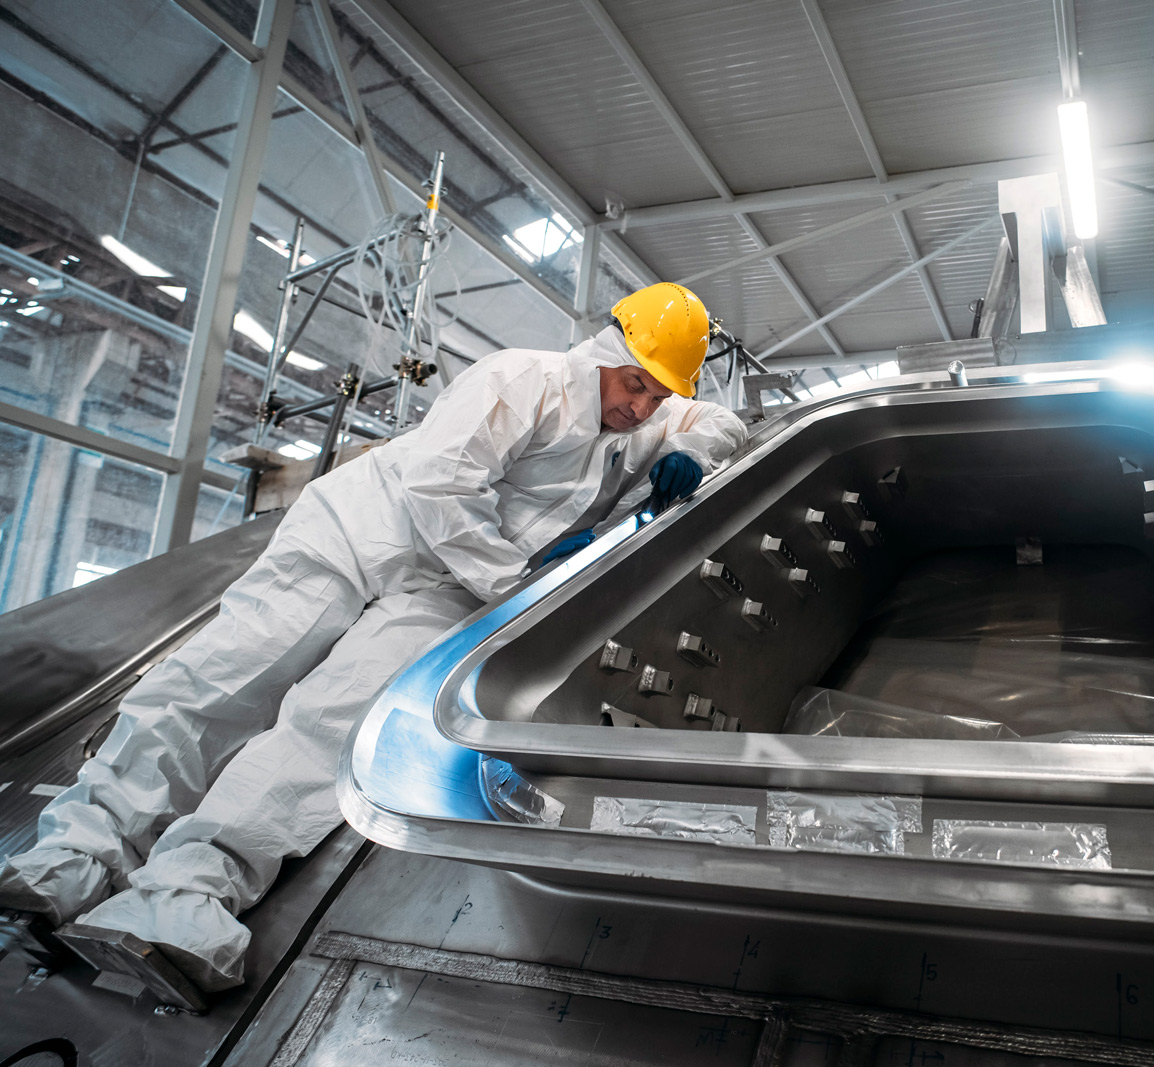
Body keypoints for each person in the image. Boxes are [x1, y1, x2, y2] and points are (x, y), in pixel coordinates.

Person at [0, 282, 746, 994]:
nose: (641, 403)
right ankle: (72, 855)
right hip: (362, 536)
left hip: (447, 587)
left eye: (658, 393)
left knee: (332, 728)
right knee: (221, 682)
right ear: (604, 352)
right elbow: (438, 487)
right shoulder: (527, 379)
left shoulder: (645, 424)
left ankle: (182, 892)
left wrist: (695, 453)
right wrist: (516, 571)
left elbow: (723, 423)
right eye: (634, 383)